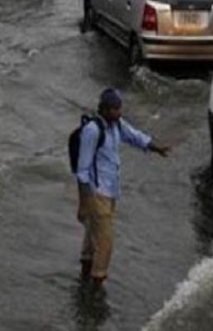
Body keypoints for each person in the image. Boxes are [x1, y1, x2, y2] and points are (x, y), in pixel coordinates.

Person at [76, 88, 171, 287]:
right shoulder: (93, 131)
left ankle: (84, 276)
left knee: (92, 237)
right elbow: (83, 171)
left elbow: (135, 137)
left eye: (120, 109)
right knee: (105, 243)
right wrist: (84, 203)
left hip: (110, 192)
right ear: (104, 109)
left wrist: (156, 148)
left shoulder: (116, 125)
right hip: (97, 193)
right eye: (115, 109)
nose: (119, 113)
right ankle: (97, 286)